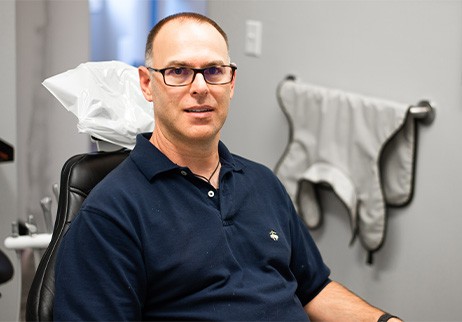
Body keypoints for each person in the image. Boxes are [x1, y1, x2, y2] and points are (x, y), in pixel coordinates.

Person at [53, 12, 401, 321]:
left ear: (231, 83)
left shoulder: (262, 183)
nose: (200, 88)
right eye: (178, 72)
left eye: (214, 71)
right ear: (147, 84)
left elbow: (314, 290)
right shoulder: (111, 215)